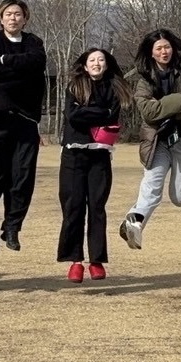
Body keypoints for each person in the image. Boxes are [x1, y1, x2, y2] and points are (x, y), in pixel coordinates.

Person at [118, 29, 181, 251]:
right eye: (158, 48)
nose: (164, 51)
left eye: (166, 47)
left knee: (179, 198)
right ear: (151, 53)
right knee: (151, 186)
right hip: (157, 140)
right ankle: (136, 225)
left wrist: (165, 108)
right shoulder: (143, 79)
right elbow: (149, 113)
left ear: (173, 48)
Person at [0, 0, 47, 253]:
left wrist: (6, 63)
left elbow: (36, 65)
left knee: (22, 176)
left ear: (25, 18)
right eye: (8, 14)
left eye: (18, 14)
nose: (13, 18)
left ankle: (12, 226)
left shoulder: (34, 43)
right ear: (0, 18)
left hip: (25, 119)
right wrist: (16, 69)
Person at [57, 48, 131, 282]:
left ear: (107, 64)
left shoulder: (115, 88)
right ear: (85, 65)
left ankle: (96, 261)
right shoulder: (74, 86)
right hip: (73, 154)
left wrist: (90, 112)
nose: (97, 63)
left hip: (100, 154)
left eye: (101, 59)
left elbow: (112, 116)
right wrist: (101, 112)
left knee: (97, 208)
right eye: (92, 60)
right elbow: (74, 116)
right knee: (73, 207)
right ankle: (75, 261)